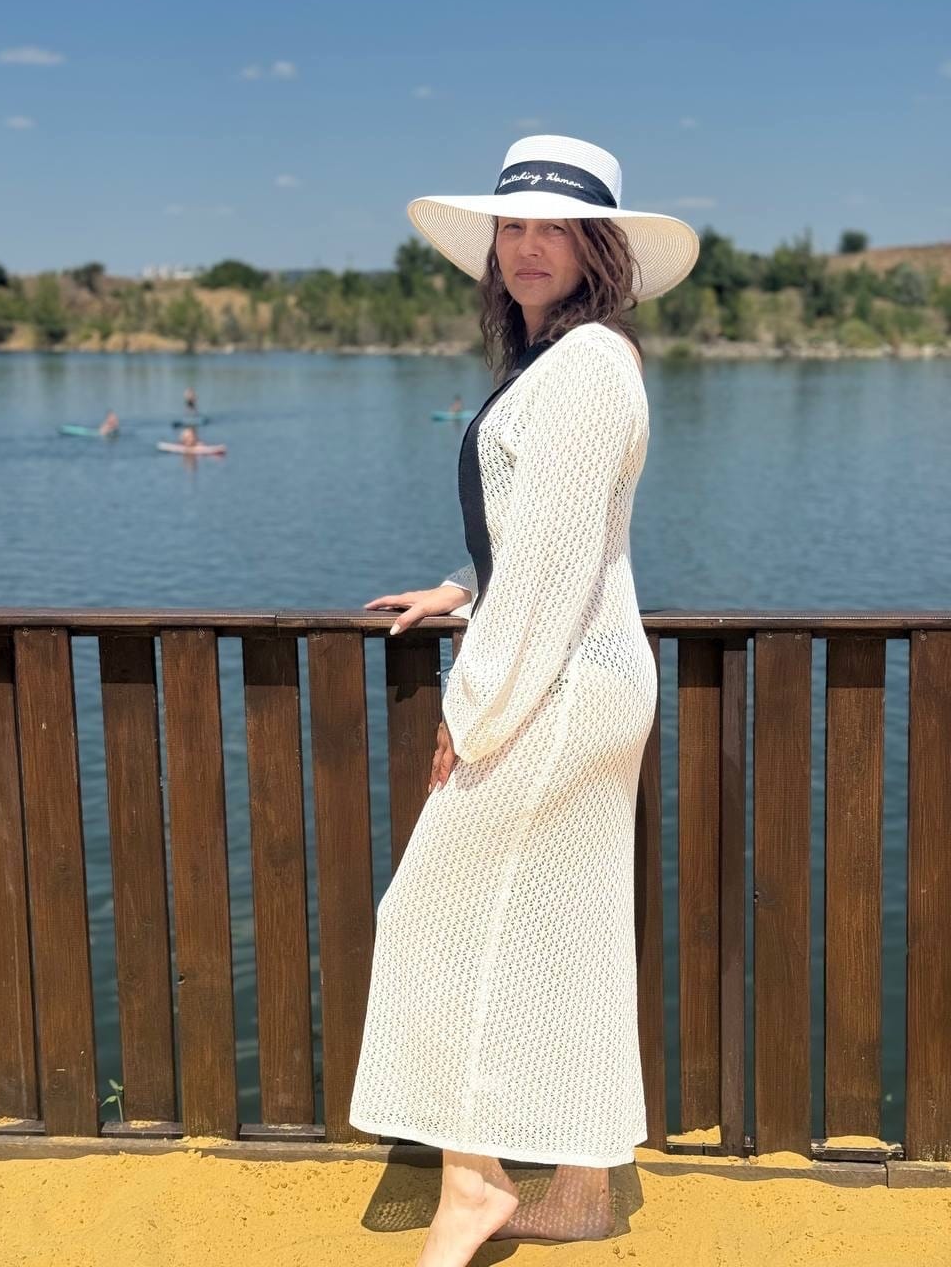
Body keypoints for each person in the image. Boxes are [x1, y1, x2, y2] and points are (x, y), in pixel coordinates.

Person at [351, 134, 699, 1265]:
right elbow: (542, 532)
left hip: (557, 688)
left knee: (430, 917)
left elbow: (553, 566)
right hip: (574, 676)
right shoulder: (570, 360)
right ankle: (578, 1182)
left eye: (555, 226)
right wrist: (463, 586)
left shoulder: (587, 364)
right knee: (559, 934)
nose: (528, 245)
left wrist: (471, 714)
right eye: (513, 225)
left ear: (598, 247)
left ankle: (474, 1186)